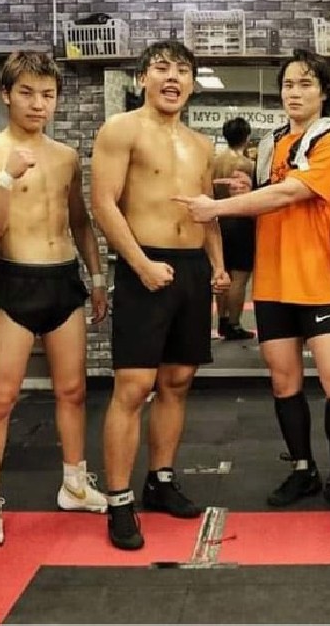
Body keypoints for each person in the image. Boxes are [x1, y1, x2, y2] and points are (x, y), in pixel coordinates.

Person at [175, 48, 330, 527]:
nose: (294, 93)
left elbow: (292, 192)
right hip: (272, 284)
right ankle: (304, 470)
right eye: (288, 84)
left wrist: (217, 208)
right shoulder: (272, 143)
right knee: (285, 383)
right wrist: (247, 195)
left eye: (305, 84)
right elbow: (272, 199)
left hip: (318, 281)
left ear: (323, 93)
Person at [0, 51, 109, 549]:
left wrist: (96, 277)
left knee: (73, 391)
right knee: (0, 399)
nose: (37, 103)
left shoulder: (66, 156)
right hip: (17, 280)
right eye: (27, 93)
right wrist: (7, 177)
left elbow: (80, 221)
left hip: (64, 280)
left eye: (47, 95)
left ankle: (74, 483)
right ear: (6, 94)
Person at [91, 41, 229, 550]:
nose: (173, 78)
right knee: (133, 386)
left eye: (183, 71)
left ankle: (161, 480)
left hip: (192, 268)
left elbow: (205, 210)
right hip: (143, 263)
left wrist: (217, 264)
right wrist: (140, 264)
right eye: (162, 68)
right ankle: (119, 499)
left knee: (177, 380)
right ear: (142, 79)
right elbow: (103, 203)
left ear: (192, 83)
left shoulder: (200, 144)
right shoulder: (121, 129)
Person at [212, 117, 256, 340]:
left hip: (219, 220)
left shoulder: (215, 162)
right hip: (240, 221)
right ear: (246, 138)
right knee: (239, 277)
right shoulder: (247, 165)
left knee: (223, 273)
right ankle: (234, 324)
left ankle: (222, 320)